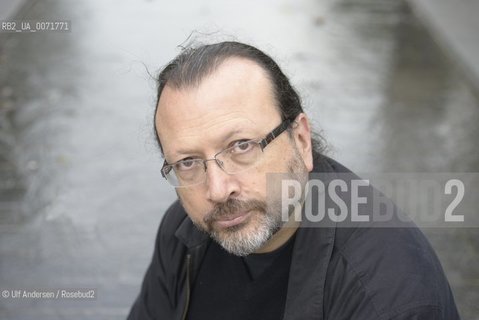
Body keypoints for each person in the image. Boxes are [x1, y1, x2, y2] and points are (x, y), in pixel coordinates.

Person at [127, 41, 460, 320]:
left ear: (300, 139)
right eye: (188, 162)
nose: (217, 190)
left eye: (242, 146)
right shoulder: (182, 232)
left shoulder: (387, 293)